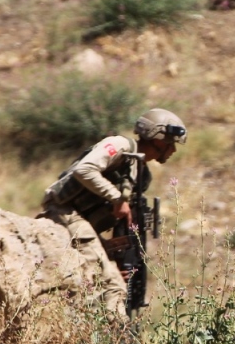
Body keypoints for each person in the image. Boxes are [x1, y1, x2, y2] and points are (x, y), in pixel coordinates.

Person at [39, 108, 186, 321]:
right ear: (158, 139)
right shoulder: (120, 145)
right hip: (63, 211)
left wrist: (116, 252)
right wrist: (118, 198)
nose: (173, 150)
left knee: (115, 273)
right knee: (109, 282)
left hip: (82, 223)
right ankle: (112, 332)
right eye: (170, 143)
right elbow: (84, 169)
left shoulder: (140, 173)